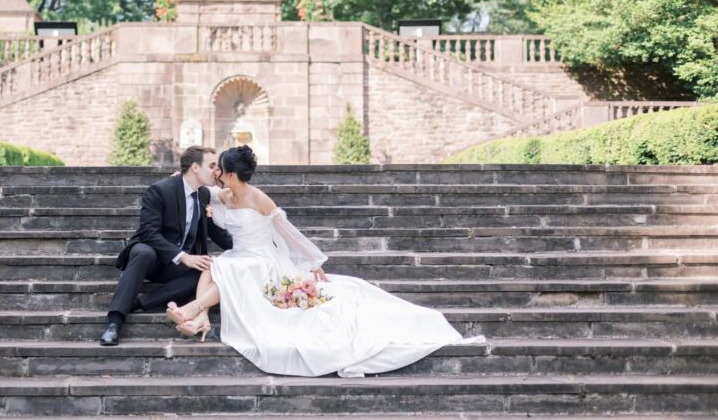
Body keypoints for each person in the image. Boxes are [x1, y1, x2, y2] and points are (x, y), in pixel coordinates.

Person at [165, 144, 481, 377]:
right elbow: (200, 191)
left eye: (218, 168)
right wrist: (183, 178)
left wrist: (313, 261)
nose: (215, 172)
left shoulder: (258, 198)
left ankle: (193, 309)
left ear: (230, 173)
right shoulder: (222, 195)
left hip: (264, 259)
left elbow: (288, 232)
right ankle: (201, 318)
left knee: (233, 267)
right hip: (240, 255)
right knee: (218, 264)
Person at [99, 146, 233, 346]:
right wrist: (183, 256)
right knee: (143, 252)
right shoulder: (160, 190)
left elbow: (213, 230)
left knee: (209, 270)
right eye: (212, 165)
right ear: (195, 167)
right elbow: (148, 232)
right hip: (152, 257)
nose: (216, 171)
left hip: (176, 267)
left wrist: (244, 248)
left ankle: (138, 303)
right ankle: (114, 323)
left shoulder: (203, 195)